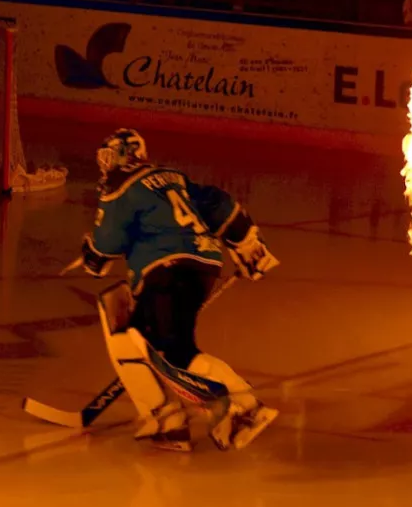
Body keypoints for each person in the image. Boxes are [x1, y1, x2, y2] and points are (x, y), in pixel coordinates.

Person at [74, 128, 280, 452]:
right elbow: (220, 204)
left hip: (165, 270)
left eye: (110, 155)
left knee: (170, 352)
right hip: (203, 265)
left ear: (119, 156)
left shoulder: (118, 185)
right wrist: (247, 244)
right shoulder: (171, 176)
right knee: (150, 341)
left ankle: (240, 410)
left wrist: (92, 255)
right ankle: (170, 420)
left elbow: (107, 242)